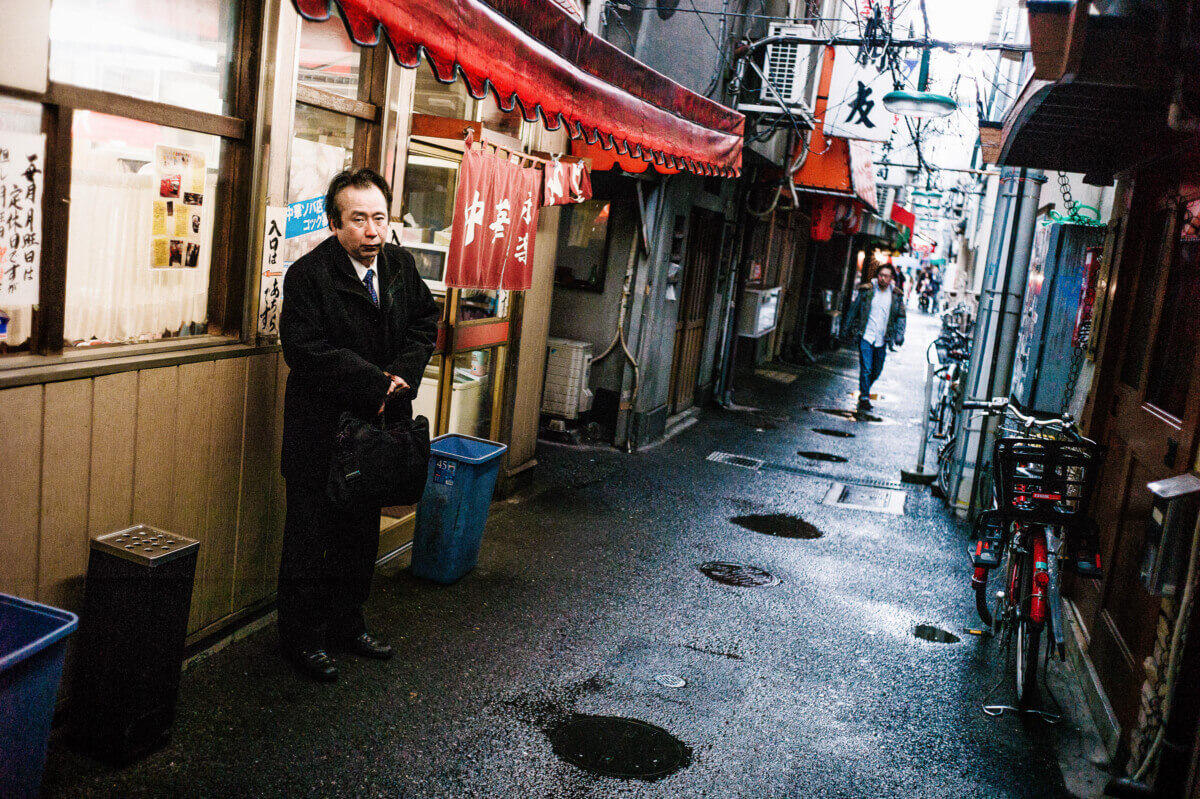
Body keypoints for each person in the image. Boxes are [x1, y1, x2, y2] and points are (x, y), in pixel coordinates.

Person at [278, 168, 439, 682]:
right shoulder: (308, 276)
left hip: (375, 435)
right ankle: (302, 640)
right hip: (318, 435)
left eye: (380, 218)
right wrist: (376, 382)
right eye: (358, 220)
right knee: (308, 539)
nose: (372, 231)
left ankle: (349, 624)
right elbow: (305, 351)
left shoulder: (399, 265)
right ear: (334, 222)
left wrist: (403, 376)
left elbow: (424, 322)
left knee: (359, 538)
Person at [845, 263, 906, 411]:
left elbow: (901, 316)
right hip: (866, 335)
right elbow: (854, 310)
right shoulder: (867, 291)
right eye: (881, 275)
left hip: (882, 338)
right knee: (866, 368)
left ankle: (864, 388)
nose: (883, 278)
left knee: (877, 369)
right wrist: (846, 328)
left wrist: (899, 334)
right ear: (877, 275)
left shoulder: (896, 296)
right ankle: (865, 397)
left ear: (892, 278)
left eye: (886, 276)